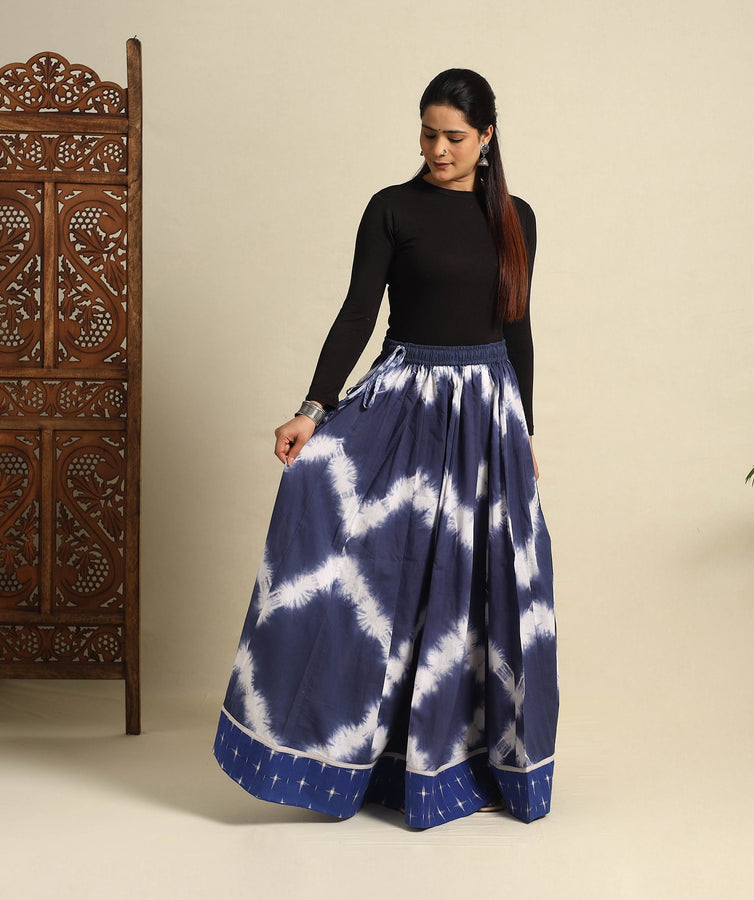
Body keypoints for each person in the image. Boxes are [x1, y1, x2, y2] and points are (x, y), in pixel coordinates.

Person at [213, 69, 558, 829]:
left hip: (487, 409)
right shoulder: (392, 208)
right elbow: (357, 314)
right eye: (428, 134)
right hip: (407, 401)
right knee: (382, 564)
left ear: (487, 137)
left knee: (475, 583)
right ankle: (345, 752)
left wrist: (524, 429)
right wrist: (313, 408)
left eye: (454, 137)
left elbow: (519, 327)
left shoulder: (517, 218)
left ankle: (462, 765)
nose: (438, 149)